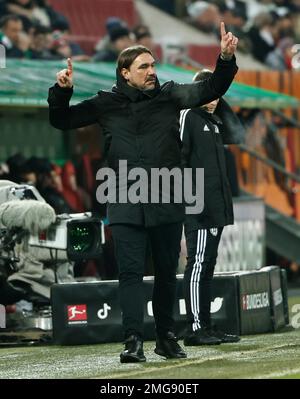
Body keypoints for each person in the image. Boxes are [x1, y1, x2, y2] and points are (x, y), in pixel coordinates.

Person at [47, 22, 238, 363]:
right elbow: (61, 120)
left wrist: (224, 58)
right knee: (130, 273)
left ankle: (166, 337)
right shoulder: (105, 102)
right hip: (124, 197)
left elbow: (211, 88)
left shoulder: (169, 95)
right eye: (144, 67)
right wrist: (62, 91)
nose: (152, 72)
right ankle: (132, 340)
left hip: (167, 195)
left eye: (153, 65)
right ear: (125, 73)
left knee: (166, 272)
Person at [180, 69, 245, 346]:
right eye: (208, 93)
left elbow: (238, 132)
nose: (214, 100)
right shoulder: (188, 116)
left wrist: (216, 96)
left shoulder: (214, 121)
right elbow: (178, 159)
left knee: (207, 265)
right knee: (198, 265)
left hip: (216, 205)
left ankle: (204, 324)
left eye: (218, 96)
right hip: (200, 205)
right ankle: (196, 327)